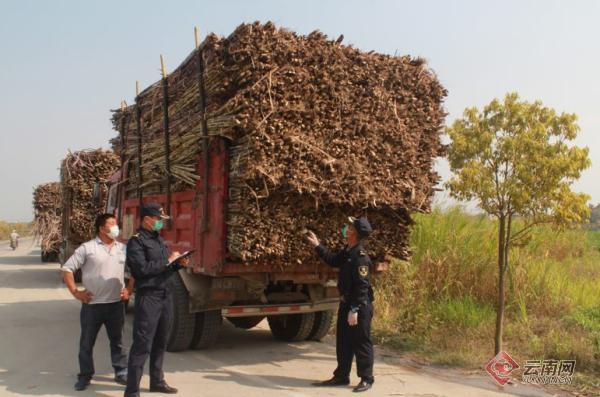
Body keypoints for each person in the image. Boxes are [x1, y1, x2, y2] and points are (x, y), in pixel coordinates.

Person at [61, 213, 134, 391]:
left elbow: (134, 271)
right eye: (111, 224)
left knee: (117, 341)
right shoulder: (88, 248)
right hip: (92, 306)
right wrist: (76, 293)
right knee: (87, 342)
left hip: (116, 304)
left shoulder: (122, 248)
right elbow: (67, 269)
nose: (116, 227)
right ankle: (85, 375)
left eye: (116, 224)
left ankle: (121, 371)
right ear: (102, 229)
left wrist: (129, 290)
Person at [124, 203, 189, 397]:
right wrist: (167, 262)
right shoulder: (136, 242)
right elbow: (141, 270)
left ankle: (157, 381)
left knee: (161, 341)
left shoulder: (159, 240)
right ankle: (132, 390)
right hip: (149, 297)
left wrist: (177, 265)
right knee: (142, 344)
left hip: (164, 295)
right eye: (158, 219)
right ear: (147, 219)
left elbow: (163, 269)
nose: (161, 223)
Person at [307, 216, 375, 393]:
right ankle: (341, 376)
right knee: (343, 341)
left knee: (361, 342)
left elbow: (362, 286)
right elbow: (333, 260)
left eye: (349, 227)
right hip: (347, 303)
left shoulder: (360, 258)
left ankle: (367, 378)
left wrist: (355, 309)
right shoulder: (348, 252)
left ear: (354, 233)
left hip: (359, 306)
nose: (346, 228)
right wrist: (317, 245)